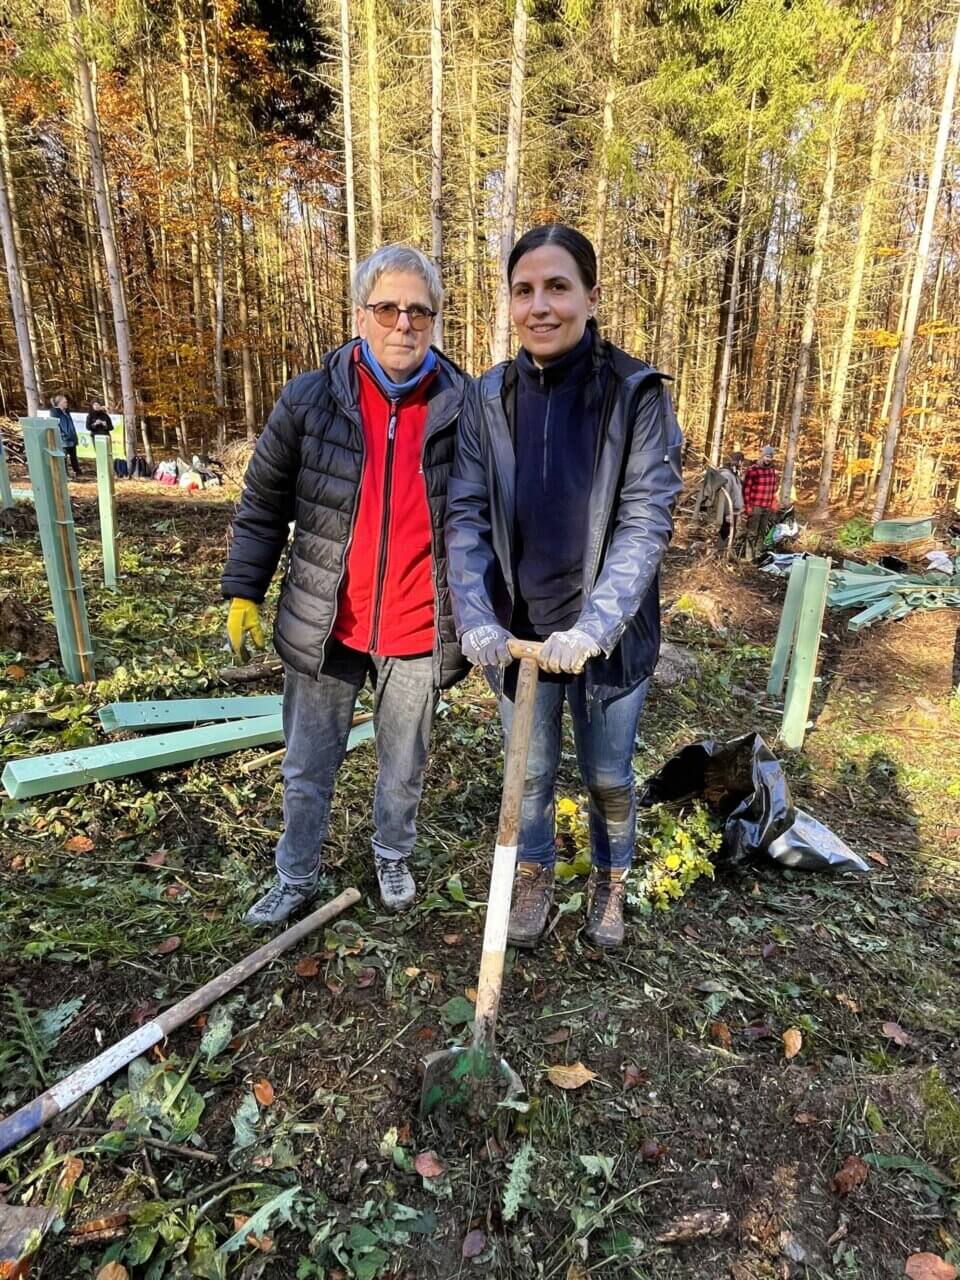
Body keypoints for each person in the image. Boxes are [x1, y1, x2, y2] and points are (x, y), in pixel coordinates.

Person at [446, 224, 683, 950]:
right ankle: (537, 876)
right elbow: (465, 513)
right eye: (524, 290)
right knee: (535, 774)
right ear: (510, 302)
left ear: (591, 296)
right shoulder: (488, 397)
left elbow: (646, 519)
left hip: (606, 638)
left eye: (557, 287)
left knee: (609, 774)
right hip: (518, 636)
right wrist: (474, 614)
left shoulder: (634, 394)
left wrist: (594, 629)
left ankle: (610, 882)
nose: (539, 306)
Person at [221, 244, 467, 927]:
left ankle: (392, 851)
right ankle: (296, 874)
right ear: (361, 315)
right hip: (329, 620)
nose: (404, 324)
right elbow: (263, 502)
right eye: (388, 307)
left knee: (404, 764)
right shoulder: (310, 399)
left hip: (420, 624)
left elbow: (488, 517)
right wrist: (246, 587)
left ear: (436, 321)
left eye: (420, 310)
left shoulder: (465, 405)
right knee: (307, 763)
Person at [739, 445, 780, 561]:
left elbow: (772, 488)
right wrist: (747, 506)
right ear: (762, 456)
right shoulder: (753, 470)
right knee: (752, 532)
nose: (768, 459)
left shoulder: (772, 470)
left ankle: (757, 554)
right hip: (755, 505)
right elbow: (746, 490)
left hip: (766, 506)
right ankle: (748, 556)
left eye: (770, 457)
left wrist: (773, 501)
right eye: (767, 456)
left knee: (762, 532)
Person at [51, 395, 80, 477]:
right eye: (65, 402)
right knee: (64, 457)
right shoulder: (55, 412)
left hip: (71, 437)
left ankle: (77, 471)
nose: (66, 404)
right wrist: (63, 434)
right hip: (64, 439)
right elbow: (57, 425)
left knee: (73, 456)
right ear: (60, 403)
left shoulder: (67, 412)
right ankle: (64, 474)